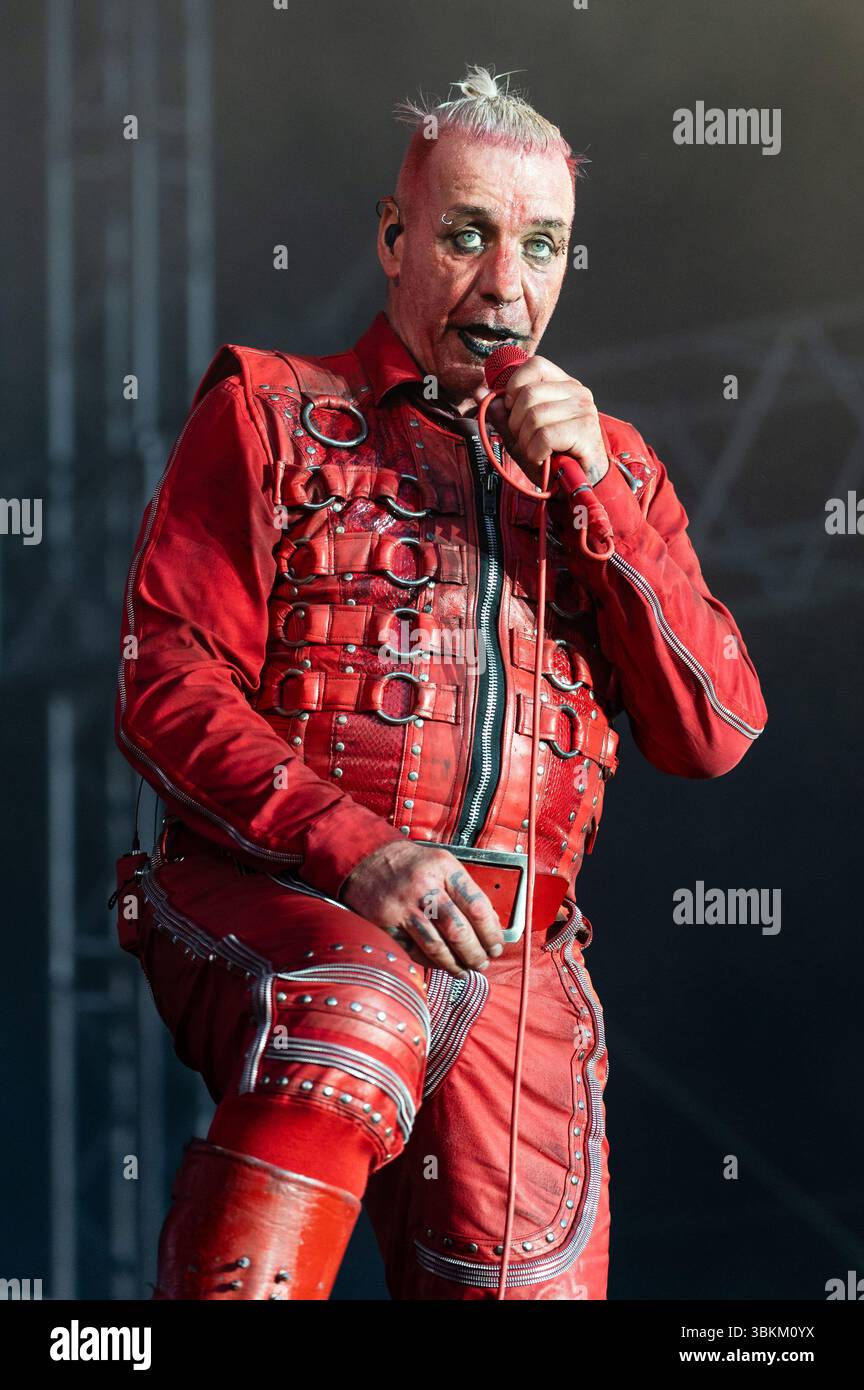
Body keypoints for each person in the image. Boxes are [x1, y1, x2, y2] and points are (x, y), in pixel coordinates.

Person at [113, 64, 767, 1300]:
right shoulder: (269, 410)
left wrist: (596, 500)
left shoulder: (614, 466)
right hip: (288, 899)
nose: (506, 286)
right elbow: (168, 680)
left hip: (520, 965)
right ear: (393, 234)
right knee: (352, 1018)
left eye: (542, 245)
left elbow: (718, 729)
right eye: (467, 235)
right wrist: (357, 847)